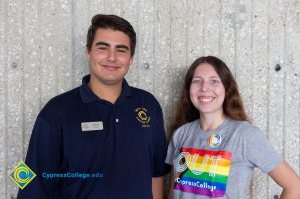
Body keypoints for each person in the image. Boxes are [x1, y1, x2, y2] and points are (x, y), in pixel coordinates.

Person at [18, 14, 169, 199]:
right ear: (88, 52)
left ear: (131, 58)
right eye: (103, 47)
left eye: (121, 50)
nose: (112, 57)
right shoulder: (56, 111)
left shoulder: (149, 105)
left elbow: (156, 174)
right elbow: (31, 181)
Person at [165, 56, 300, 199]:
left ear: (226, 88)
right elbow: (173, 193)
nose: (204, 88)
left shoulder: (245, 135)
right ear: (189, 89)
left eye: (214, 81)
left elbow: (294, 186)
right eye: (197, 81)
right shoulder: (181, 134)